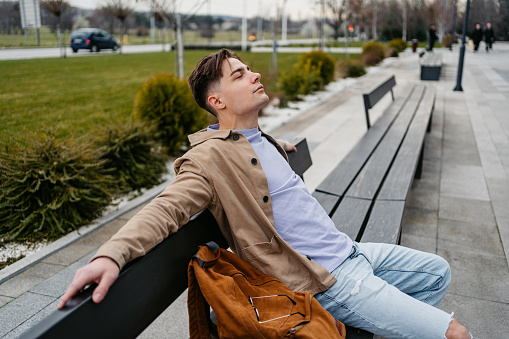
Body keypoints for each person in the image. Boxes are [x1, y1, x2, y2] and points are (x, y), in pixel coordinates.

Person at [58, 49, 472, 339]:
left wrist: (279, 145)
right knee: (454, 332)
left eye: (249, 69)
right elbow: (166, 208)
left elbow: (263, 169)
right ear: (216, 101)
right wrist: (110, 255)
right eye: (240, 75)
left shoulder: (257, 138)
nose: (255, 75)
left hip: (352, 251)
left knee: (438, 272)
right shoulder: (208, 160)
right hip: (328, 282)